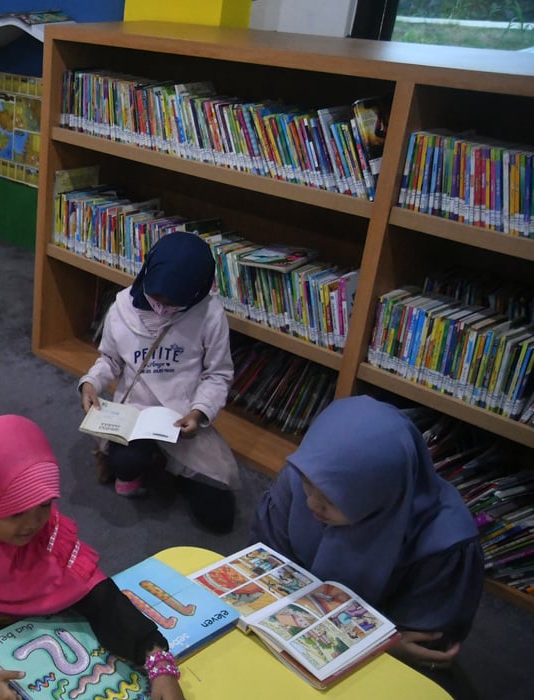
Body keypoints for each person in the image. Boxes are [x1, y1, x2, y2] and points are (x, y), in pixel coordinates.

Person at [0, 415, 185, 700]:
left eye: (44, 504)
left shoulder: (48, 534)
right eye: (16, 513)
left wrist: (158, 662)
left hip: (37, 625)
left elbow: (102, 598)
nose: (33, 523)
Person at [250, 396, 484, 687]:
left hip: (380, 665)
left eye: (332, 498)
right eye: (310, 483)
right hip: (300, 635)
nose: (311, 503)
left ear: (380, 494)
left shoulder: (444, 545)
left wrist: (382, 647)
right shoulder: (299, 478)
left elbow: (421, 645)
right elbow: (263, 567)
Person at [78, 231, 239, 533]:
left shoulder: (210, 314)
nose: (161, 309)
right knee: (124, 465)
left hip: (182, 418)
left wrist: (199, 412)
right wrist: (91, 384)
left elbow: (218, 375)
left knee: (219, 518)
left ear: (196, 292)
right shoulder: (122, 308)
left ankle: (174, 467)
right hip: (135, 415)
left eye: (173, 304)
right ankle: (151, 460)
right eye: (155, 299)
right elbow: (110, 361)